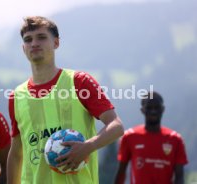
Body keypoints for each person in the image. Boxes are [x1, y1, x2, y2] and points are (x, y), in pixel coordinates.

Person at [7, 16, 124, 184]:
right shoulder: (16, 96)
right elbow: (17, 153)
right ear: (23, 48)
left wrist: (88, 146)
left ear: (56, 43)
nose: (34, 43)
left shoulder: (79, 81)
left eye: (41, 37)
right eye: (28, 39)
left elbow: (116, 126)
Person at [114, 91, 188, 184]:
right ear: (142, 110)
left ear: (163, 109)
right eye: (149, 108)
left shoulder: (175, 139)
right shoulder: (129, 136)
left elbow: (179, 177)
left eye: (157, 107)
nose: (153, 111)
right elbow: (121, 172)